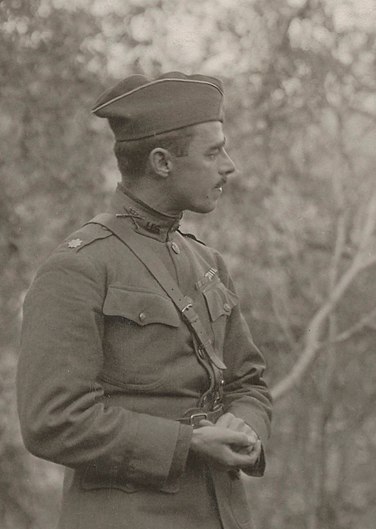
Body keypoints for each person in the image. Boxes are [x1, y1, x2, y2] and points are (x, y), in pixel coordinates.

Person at [17, 72, 272, 529]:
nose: (229, 165)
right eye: (213, 151)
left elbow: (248, 381)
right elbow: (52, 421)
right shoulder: (79, 267)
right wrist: (187, 442)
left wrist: (245, 423)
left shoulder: (206, 261)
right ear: (161, 162)